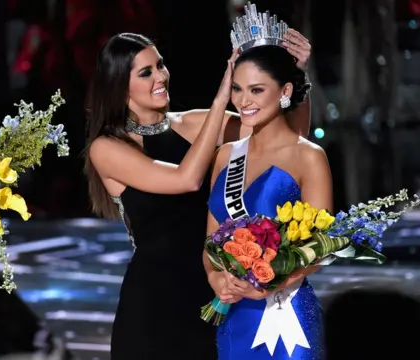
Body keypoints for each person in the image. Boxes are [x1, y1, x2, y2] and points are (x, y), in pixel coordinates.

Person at [84, 29, 312, 359]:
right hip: (155, 305)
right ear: (120, 84)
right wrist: (221, 99)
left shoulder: (192, 124)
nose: (161, 76)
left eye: (160, 65)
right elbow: (186, 179)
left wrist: (297, 75)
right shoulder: (106, 148)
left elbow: (289, 138)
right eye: (146, 72)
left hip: (216, 289)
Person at [205, 9, 331, 360]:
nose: (244, 101)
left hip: (287, 316)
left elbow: (321, 247)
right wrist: (218, 280)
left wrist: (273, 280)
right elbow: (210, 242)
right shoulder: (225, 155)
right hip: (235, 316)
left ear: (285, 90)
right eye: (238, 89)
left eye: (257, 90)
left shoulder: (308, 156)